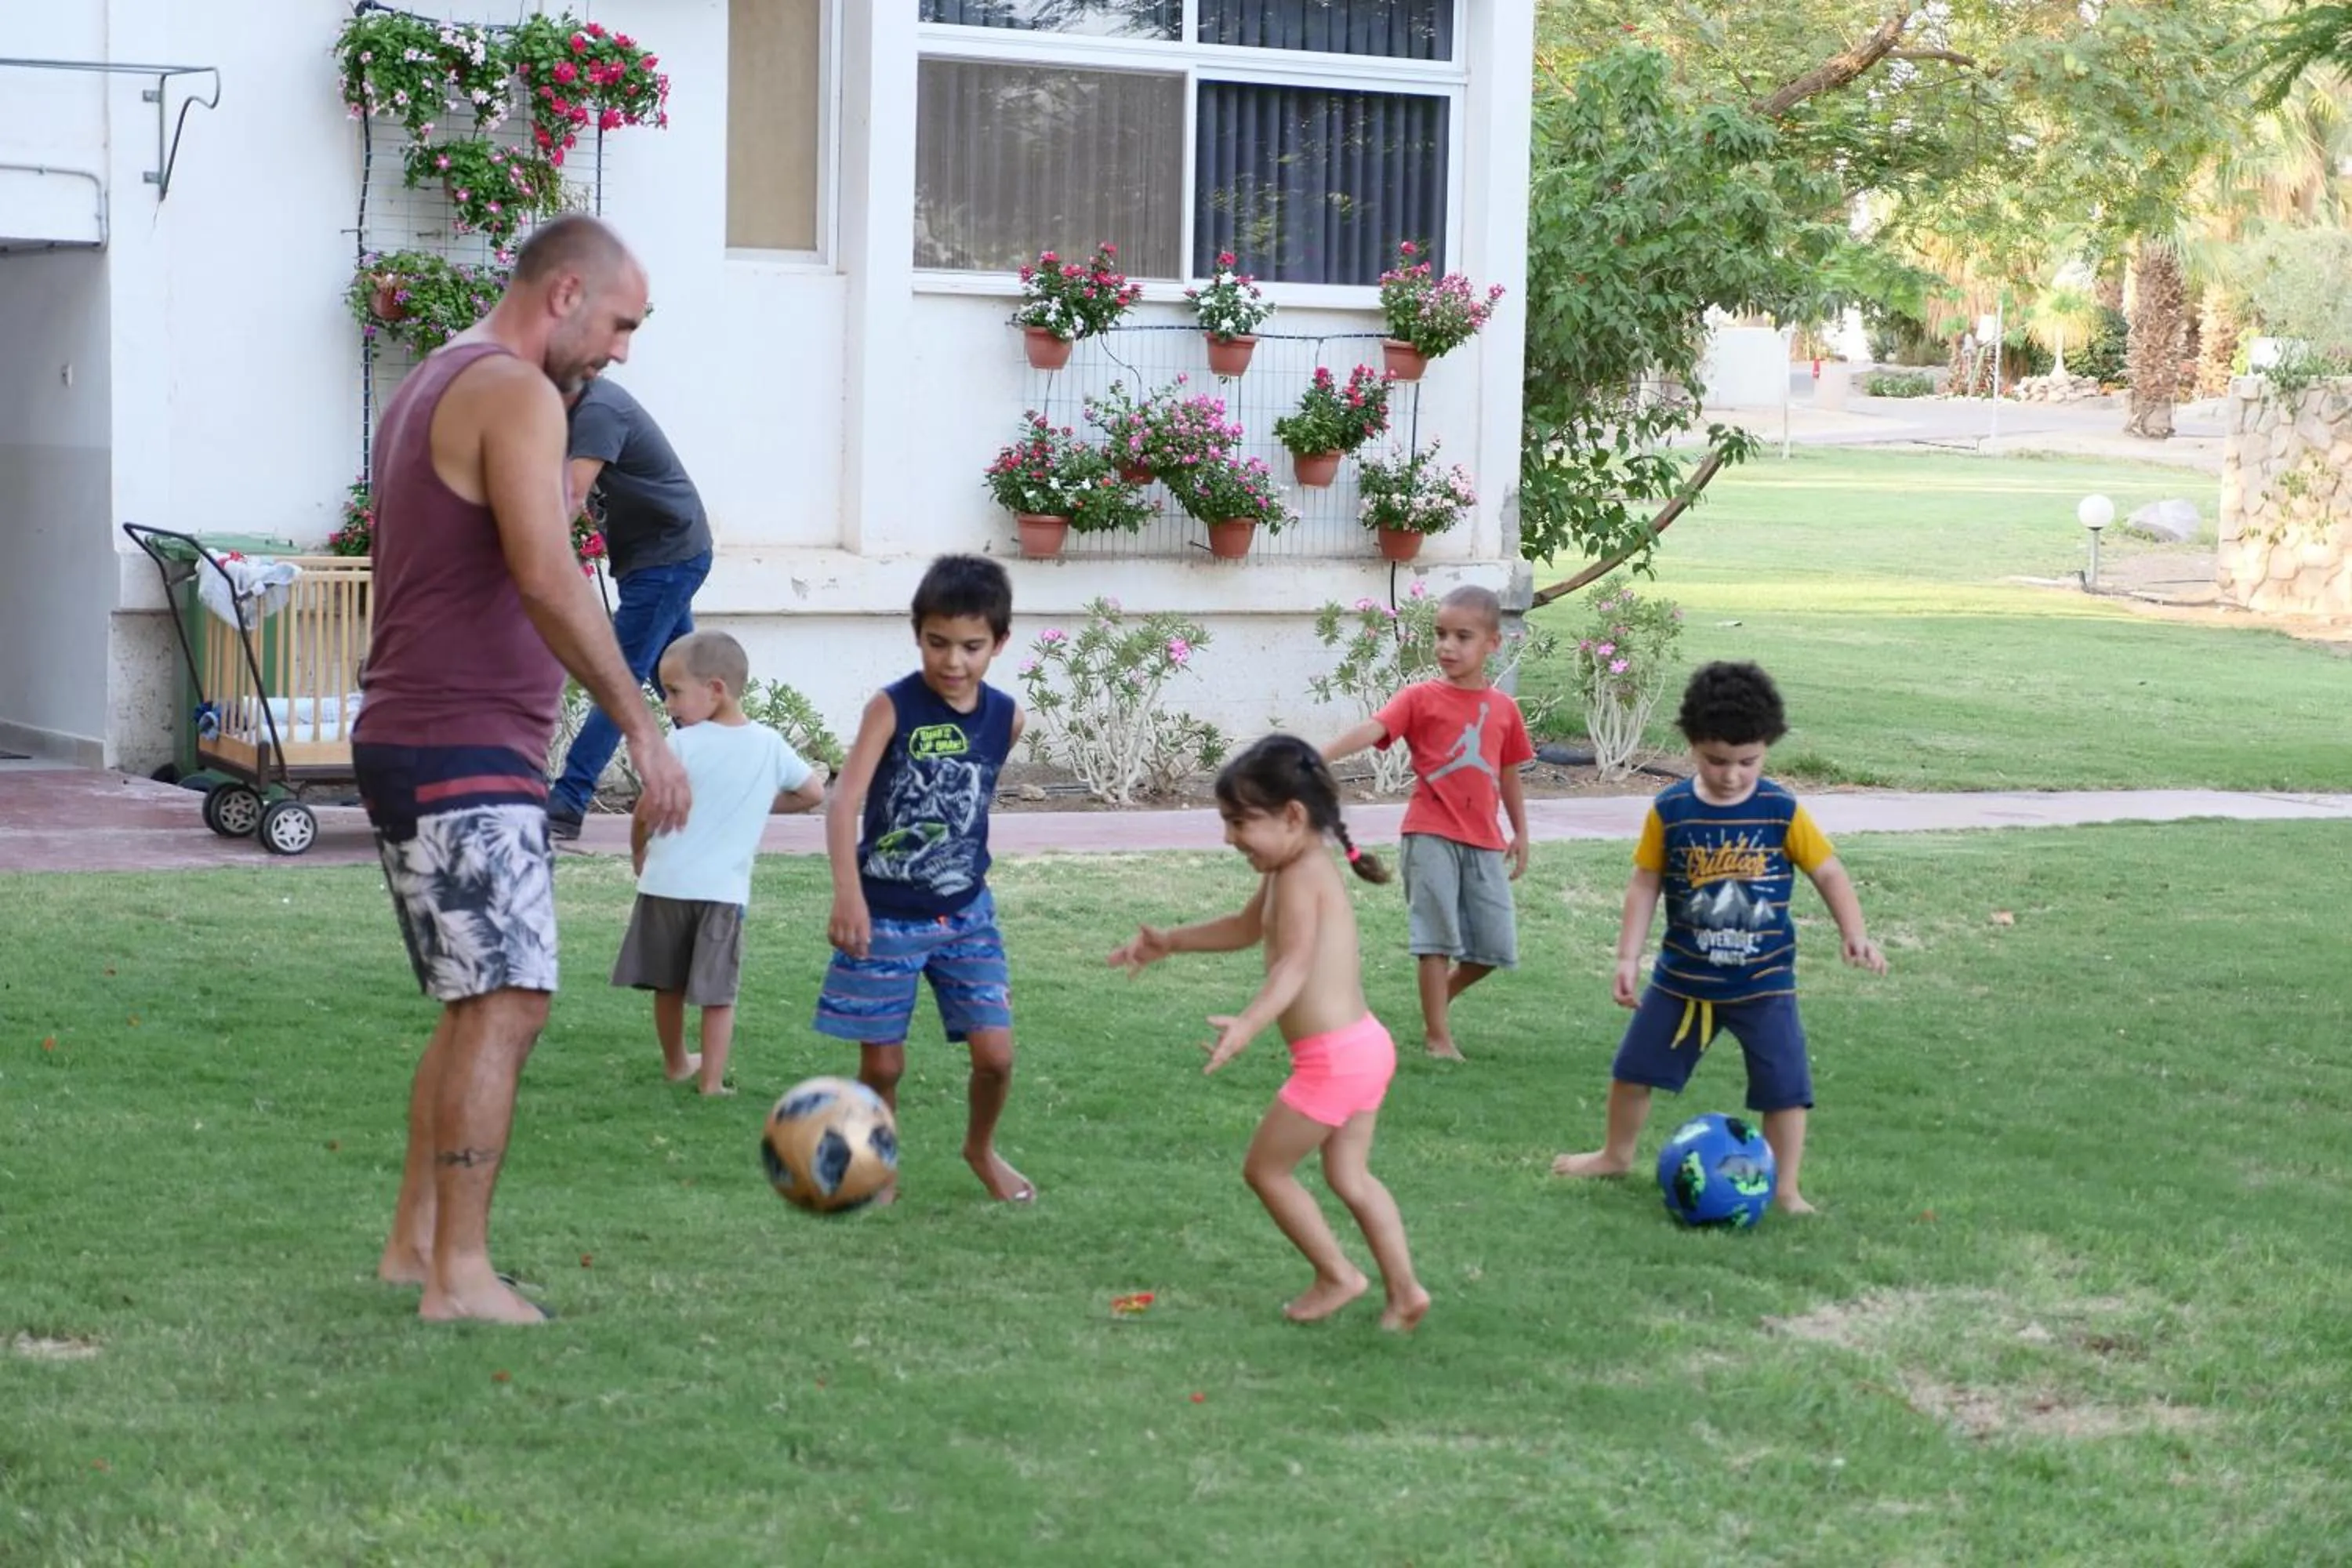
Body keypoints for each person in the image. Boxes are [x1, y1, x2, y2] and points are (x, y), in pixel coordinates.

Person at [353, 213, 691, 1325]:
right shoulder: (517, 392)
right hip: (458, 740)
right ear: (565, 294)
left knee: (475, 1004)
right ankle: (459, 1277)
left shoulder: (435, 377)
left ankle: (416, 1246)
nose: (621, 351)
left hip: (428, 734)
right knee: (508, 1000)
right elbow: (548, 574)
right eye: (621, 324)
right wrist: (642, 729)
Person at [1109, 735, 1431, 1333]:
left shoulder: (1305, 874)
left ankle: (1338, 1276)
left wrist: (1248, 1025)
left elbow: (1295, 964)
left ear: (1293, 816)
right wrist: (1170, 942)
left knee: (1266, 1170)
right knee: (1350, 1178)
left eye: (1239, 822)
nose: (1229, 838)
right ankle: (1406, 1293)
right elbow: (1245, 928)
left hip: (1334, 1062)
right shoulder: (1291, 866)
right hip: (1362, 1047)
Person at [1550, 661, 1886, 1214]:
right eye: (1716, 760)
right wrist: (1628, 957)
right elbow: (1645, 882)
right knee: (1633, 1072)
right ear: (1691, 745)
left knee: (1786, 1089)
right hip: (1683, 982)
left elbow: (1827, 871)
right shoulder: (1672, 811)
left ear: (1767, 748)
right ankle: (1615, 1155)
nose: (1731, 775)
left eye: (1747, 762)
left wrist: (1855, 933)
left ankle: (1785, 1189)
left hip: (1764, 984)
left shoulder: (1780, 809)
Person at [814, 554, 1033, 1204]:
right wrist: (848, 895)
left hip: (967, 915)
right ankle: (879, 1161)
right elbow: (843, 802)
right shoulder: (891, 707)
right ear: (917, 634)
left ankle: (980, 1149)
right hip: (883, 916)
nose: (953, 661)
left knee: (996, 1056)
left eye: (971, 646)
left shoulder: (1006, 716)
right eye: (938, 643)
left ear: (999, 642)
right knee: (883, 1064)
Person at [1322, 585, 1533, 1061]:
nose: (1447, 646)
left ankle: (1439, 1000)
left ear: (1493, 643)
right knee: (1434, 939)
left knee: (1493, 947)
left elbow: (1508, 774)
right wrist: (1320, 755)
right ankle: (1438, 1038)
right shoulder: (1419, 698)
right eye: (1441, 635)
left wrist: (1520, 831)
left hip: (1485, 840)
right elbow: (1373, 728)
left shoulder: (1504, 710)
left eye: (1462, 637)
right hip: (1430, 832)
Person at [612, 630, 826, 1095]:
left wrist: (637, 850)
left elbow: (646, 810)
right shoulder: (769, 745)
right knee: (718, 992)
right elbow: (812, 792)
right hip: (722, 893)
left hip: (665, 884)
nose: (668, 704)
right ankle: (710, 1081)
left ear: (715, 689)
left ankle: (676, 1064)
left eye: (674, 691)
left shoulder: (680, 745)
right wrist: (757, 802)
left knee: (667, 984)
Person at [545, 375, 715, 840]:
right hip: (660, 555)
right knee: (678, 682)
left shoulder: (599, 410)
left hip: (669, 557)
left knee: (617, 678)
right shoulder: (572, 412)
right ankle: (730, 779)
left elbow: (570, 498)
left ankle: (568, 801)